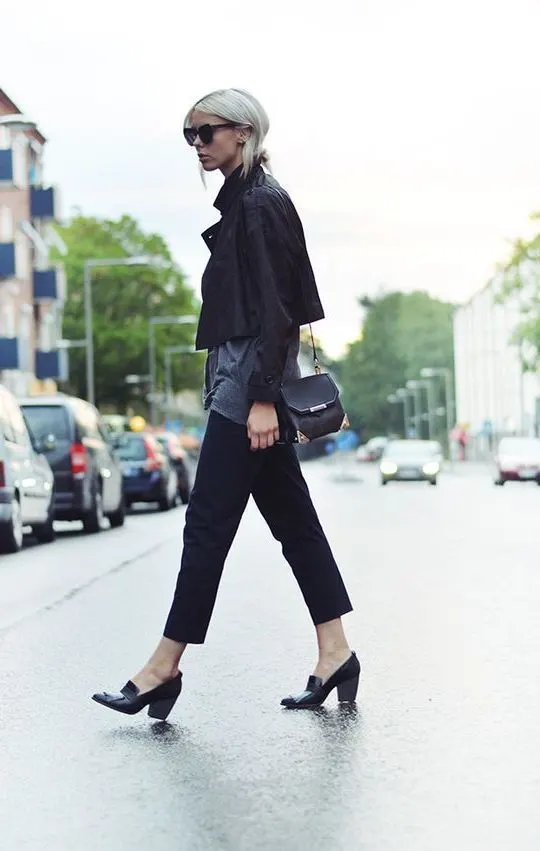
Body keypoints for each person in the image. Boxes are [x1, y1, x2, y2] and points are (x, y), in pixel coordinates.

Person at [92, 88, 359, 720]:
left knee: (207, 524)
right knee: (295, 525)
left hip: (247, 388)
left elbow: (278, 311)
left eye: (205, 133)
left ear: (242, 132)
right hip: (237, 380)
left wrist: (263, 400)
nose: (198, 146)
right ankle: (336, 652)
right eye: (190, 136)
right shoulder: (246, 199)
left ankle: (163, 667)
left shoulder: (261, 204)